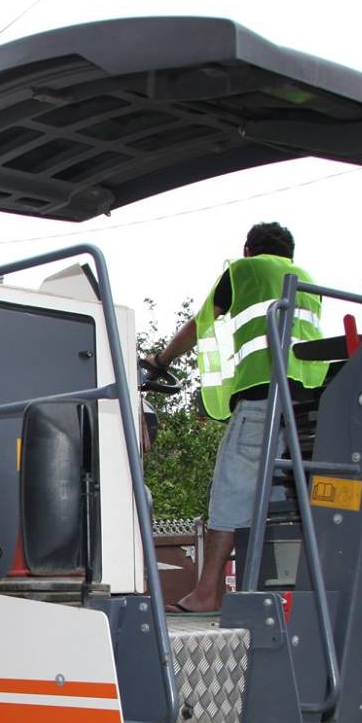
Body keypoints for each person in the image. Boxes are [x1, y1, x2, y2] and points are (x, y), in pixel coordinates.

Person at [143, 221, 325, 613]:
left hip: (263, 398)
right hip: (307, 407)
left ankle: (207, 592)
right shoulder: (308, 281)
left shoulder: (245, 271)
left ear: (248, 249)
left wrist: (160, 360)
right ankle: (270, 594)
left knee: (230, 494)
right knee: (278, 502)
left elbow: (201, 324)